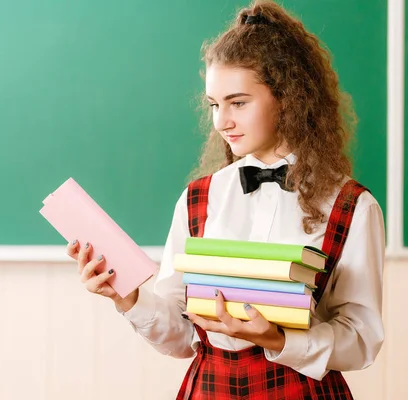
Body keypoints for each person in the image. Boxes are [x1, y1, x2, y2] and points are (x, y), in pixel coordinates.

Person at [65, 1, 385, 398]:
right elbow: (181, 338)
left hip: (299, 390)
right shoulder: (198, 198)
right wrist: (127, 296)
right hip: (211, 387)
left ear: (287, 97)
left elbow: (362, 338)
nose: (222, 122)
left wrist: (281, 341)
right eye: (215, 105)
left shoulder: (352, 205)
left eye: (238, 102)